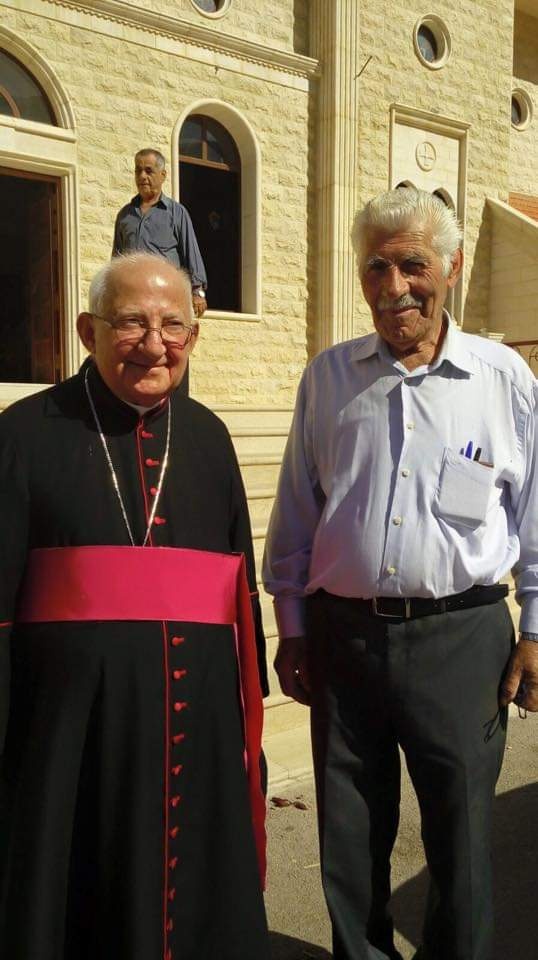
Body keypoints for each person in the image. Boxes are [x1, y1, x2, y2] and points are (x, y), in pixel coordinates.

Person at [263, 188, 538, 960]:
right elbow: (297, 512)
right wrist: (293, 627)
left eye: (412, 265)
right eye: (375, 268)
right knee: (349, 837)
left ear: (452, 267)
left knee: (462, 842)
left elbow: (535, 516)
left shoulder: (503, 379)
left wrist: (537, 630)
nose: (393, 287)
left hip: (464, 640)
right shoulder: (329, 378)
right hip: (344, 640)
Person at [0, 252, 269, 960]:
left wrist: (248, 719)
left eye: (173, 325)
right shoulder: (23, 433)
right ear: (88, 331)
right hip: (72, 743)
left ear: (194, 336)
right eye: (131, 323)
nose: (154, 344)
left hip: (200, 730)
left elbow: (239, 597)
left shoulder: (208, 437)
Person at [112, 148, 208, 318]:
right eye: (138, 171)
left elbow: (191, 253)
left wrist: (197, 292)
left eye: (148, 171)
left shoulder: (176, 213)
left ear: (163, 175)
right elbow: (117, 260)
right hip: (133, 299)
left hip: (166, 299)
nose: (142, 176)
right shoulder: (125, 216)